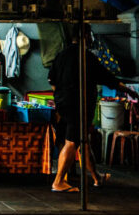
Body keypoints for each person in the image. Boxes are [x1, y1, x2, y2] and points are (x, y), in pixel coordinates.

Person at [48, 25, 138, 192]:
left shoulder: (61, 55)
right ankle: (58, 181)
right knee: (72, 142)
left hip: (63, 104)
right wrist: (129, 91)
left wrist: (61, 97)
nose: (92, 39)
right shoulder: (86, 57)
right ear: (85, 35)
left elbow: (51, 81)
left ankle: (97, 178)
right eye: (90, 35)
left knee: (84, 142)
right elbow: (108, 79)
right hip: (78, 105)